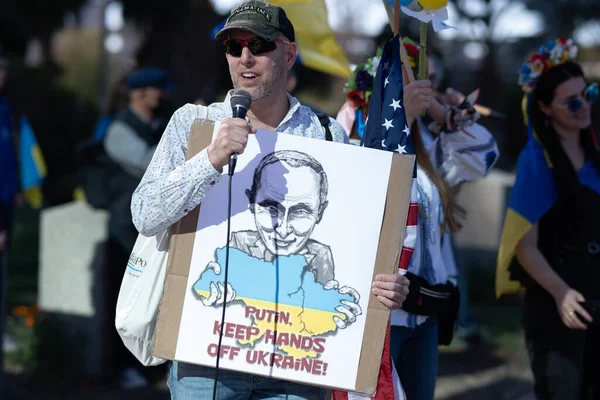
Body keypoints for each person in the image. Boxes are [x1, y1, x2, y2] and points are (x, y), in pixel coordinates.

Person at [131, 1, 410, 398]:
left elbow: (351, 244)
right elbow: (144, 214)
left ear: (289, 54)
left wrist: (382, 285)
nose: (245, 57)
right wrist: (209, 159)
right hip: (204, 358)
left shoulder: (327, 135)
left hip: (299, 364)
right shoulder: (193, 124)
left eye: (259, 45)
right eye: (233, 46)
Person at [385, 42, 499, 400]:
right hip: (385, 312)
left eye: (432, 80)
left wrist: (446, 113)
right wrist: (402, 114)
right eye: (419, 77)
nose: (427, 87)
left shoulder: (435, 141)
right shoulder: (365, 128)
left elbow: (484, 155)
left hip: (426, 307)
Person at [496, 38, 600, 399]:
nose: (584, 106)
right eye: (572, 102)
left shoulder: (595, 152)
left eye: (588, 94)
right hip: (558, 305)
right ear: (545, 108)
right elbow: (526, 247)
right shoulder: (536, 162)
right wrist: (562, 293)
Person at [102, 67, 170, 389]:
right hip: (123, 233)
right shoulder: (118, 130)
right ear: (138, 93)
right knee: (125, 302)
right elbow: (148, 161)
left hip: (152, 232)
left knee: (155, 300)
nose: (161, 95)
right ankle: (121, 369)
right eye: (156, 89)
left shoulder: (156, 124)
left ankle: (151, 367)